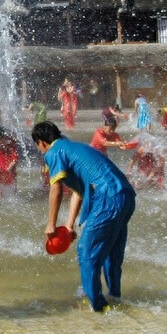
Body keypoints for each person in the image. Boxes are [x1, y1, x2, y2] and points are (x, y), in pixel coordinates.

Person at [33, 121, 136, 313]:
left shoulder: (53, 152)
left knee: (86, 251)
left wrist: (50, 224)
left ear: (42, 143)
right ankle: (114, 297)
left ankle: (98, 306)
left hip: (107, 196)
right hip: (126, 195)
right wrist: (69, 225)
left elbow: (55, 189)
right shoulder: (72, 147)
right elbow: (79, 192)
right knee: (110, 251)